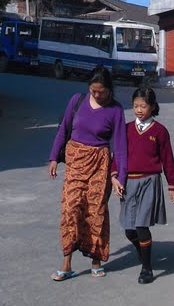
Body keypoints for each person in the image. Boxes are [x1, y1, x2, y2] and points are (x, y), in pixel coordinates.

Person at [48, 67, 127, 281]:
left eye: (101, 92)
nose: (97, 95)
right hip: (75, 162)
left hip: (100, 165)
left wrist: (121, 176)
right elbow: (63, 129)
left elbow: (120, 146)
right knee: (70, 208)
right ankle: (66, 263)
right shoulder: (77, 100)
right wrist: (54, 157)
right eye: (93, 91)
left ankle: (96, 260)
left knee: (96, 211)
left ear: (110, 90)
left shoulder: (116, 110)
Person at [112, 85, 174, 285]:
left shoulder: (159, 131)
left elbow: (168, 159)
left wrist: (172, 186)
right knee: (129, 230)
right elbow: (118, 155)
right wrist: (114, 176)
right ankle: (143, 250)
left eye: (143, 106)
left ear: (152, 107)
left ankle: (147, 268)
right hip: (128, 182)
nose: (139, 110)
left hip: (150, 181)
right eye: (135, 106)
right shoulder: (126, 129)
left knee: (141, 225)